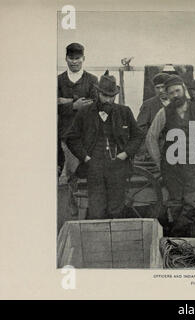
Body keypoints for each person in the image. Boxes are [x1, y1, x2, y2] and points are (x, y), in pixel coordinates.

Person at [64, 70, 143, 219]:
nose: (107, 100)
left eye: (111, 96)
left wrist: (125, 154)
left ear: (115, 96)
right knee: (97, 210)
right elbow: (71, 137)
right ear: (98, 92)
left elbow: (138, 136)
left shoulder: (124, 112)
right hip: (94, 167)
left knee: (116, 210)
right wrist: (86, 157)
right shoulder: (85, 113)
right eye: (104, 95)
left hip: (118, 167)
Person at [146, 75, 195, 237]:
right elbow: (151, 138)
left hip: (194, 167)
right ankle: (181, 246)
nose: (175, 95)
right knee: (175, 205)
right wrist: (159, 163)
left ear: (183, 89)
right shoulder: (164, 113)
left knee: (194, 205)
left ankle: (174, 236)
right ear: (167, 95)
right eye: (171, 93)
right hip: (172, 169)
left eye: (177, 90)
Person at [57, 42, 98, 215]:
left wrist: (64, 101)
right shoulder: (58, 80)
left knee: (92, 171)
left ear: (83, 59)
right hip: (66, 136)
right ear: (66, 58)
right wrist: (74, 105)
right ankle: (69, 214)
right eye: (71, 58)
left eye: (78, 58)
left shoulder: (92, 80)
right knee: (69, 175)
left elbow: (94, 104)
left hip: (87, 135)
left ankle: (91, 210)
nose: (74, 62)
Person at [136, 73, 170, 160]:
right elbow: (140, 129)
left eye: (163, 87)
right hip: (156, 150)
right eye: (157, 88)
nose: (161, 90)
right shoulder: (148, 105)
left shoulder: (177, 103)